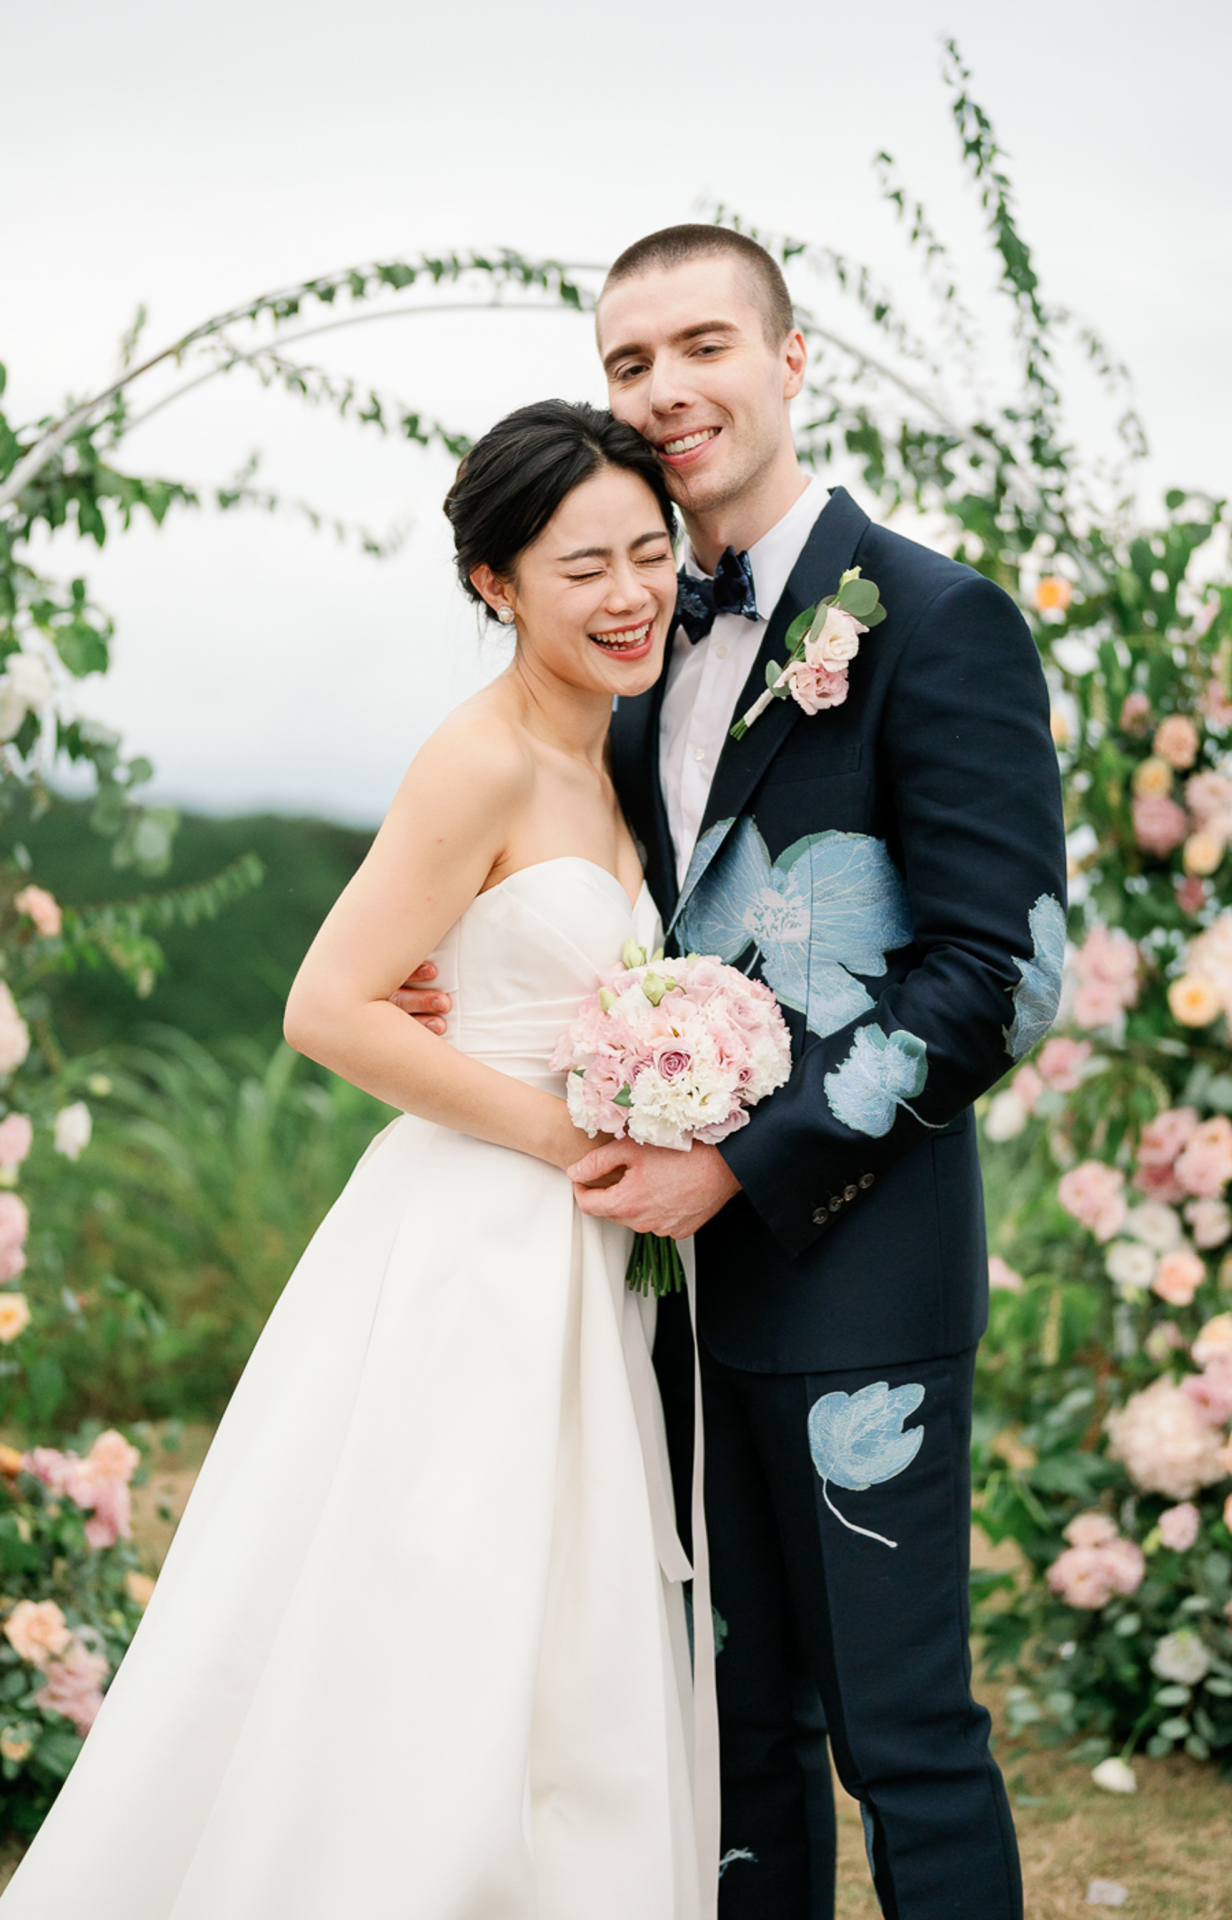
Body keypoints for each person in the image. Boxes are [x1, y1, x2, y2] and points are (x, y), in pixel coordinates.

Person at [403, 226, 1068, 1920]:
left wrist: (739, 1164)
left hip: (857, 1282)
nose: (665, 388)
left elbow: (1003, 974)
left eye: (702, 344)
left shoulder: (938, 621)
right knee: (726, 1739)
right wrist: (454, 973)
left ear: (788, 360)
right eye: (628, 362)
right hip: (652, 1300)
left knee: (903, 1735)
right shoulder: (632, 658)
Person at [0, 402, 708, 1920]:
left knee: (559, 1619)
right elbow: (325, 1007)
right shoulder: (479, 759)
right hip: (479, 1237)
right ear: (495, 584)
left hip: (584, 1246)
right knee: (440, 1601)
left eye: (649, 551)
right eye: (582, 566)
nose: (631, 593)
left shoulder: (618, 750)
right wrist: (565, 1136)